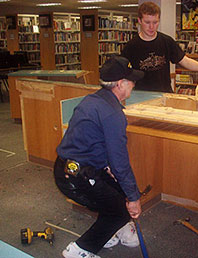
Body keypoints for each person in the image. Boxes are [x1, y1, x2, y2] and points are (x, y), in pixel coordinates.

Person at [54, 56, 145, 258]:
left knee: (119, 190)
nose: (134, 84)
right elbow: (120, 163)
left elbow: (91, 142)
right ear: (120, 84)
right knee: (120, 209)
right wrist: (133, 198)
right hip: (76, 177)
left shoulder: (95, 100)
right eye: (132, 81)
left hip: (73, 169)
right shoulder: (112, 113)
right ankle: (80, 250)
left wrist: (111, 171)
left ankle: (110, 231)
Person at [121, 1, 198, 93]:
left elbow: (184, 61)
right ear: (139, 21)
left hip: (165, 94)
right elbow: (122, 72)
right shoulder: (131, 46)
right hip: (141, 95)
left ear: (159, 19)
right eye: (147, 22)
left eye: (155, 22)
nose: (151, 27)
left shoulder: (166, 41)